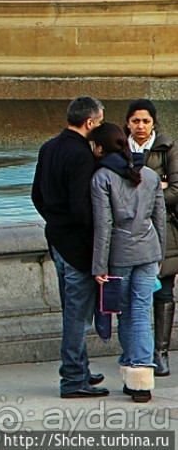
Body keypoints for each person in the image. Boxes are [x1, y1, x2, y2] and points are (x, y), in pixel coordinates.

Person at [32, 95, 108, 398]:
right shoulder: (81, 155)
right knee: (78, 316)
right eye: (100, 122)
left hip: (57, 240)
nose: (100, 128)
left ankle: (82, 368)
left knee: (72, 311)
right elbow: (82, 208)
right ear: (89, 122)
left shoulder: (48, 147)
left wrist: (54, 222)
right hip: (77, 247)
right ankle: (73, 379)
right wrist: (94, 245)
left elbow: (36, 195)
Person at [90, 122, 166, 403]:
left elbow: (104, 226)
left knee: (124, 312)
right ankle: (142, 374)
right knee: (142, 312)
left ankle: (133, 366)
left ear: (101, 148)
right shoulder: (149, 175)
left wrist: (99, 266)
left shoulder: (101, 178)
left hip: (119, 255)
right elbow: (160, 219)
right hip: (149, 251)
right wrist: (160, 254)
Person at [124, 98, 178, 376]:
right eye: (135, 121)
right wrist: (159, 188)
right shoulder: (120, 149)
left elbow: (177, 190)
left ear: (154, 123)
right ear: (127, 123)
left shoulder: (168, 149)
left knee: (164, 291)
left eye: (145, 121)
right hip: (129, 233)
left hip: (164, 230)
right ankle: (136, 351)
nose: (141, 126)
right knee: (132, 294)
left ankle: (161, 352)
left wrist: (145, 199)